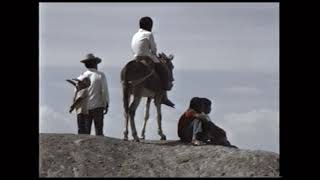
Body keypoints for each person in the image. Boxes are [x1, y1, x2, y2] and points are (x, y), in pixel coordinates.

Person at [131, 16, 175, 108]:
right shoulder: (149, 34)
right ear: (149, 25)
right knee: (164, 71)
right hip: (147, 58)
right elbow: (154, 50)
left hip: (136, 58)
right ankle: (164, 97)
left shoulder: (135, 35)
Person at [77, 53, 109, 136]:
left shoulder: (80, 77)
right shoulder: (100, 75)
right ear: (95, 64)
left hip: (84, 109)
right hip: (98, 107)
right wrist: (106, 104)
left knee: (85, 134)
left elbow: (77, 95)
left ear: (86, 65)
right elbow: (104, 91)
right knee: (99, 132)